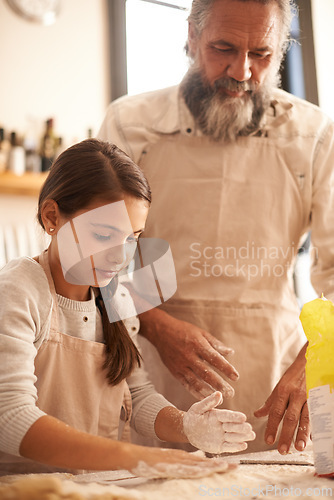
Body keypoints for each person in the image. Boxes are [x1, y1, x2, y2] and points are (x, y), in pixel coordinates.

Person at [97, 0, 334, 454]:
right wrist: (157, 325)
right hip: (149, 376)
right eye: (223, 48)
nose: (242, 71)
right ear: (191, 36)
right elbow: (94, 260)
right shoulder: (129, 124)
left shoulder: (315, 136)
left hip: (270, 377)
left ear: (281, 49)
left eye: (261, 54)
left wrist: (314, 362)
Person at [0, 138, 256, 476]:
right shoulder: (18, 290)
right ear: (52, 217)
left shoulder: (115, 297)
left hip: (94, 488)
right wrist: (137, 457)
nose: (120, 257)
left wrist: (187, 426)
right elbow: (11, 416)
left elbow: (136, 394)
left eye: (132, 238)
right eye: (105, 236)